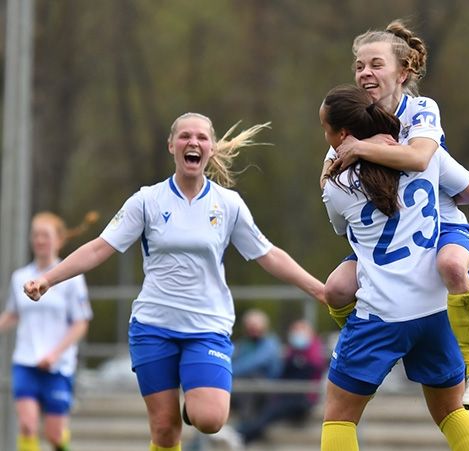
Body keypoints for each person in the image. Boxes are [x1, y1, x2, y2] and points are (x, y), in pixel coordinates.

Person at [23, 112, 326, 451]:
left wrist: (318, 289)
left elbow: (268, 254)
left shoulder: (228, 204)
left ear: (210, 147)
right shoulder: (147, 200)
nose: (192, 142)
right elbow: (99, 248)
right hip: (154, 326)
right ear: (172, 146)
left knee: (210, 419)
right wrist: (48, 279)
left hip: (206, 326)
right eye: (184, 136)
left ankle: (194, 396)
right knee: (165, 431)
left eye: (200, 137)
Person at [319, 19, 469, 411]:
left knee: (450, 263)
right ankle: (375, 343)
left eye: (376, 64)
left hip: (438, 224)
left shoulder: (421, 110)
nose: (365, 72)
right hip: (389, 237)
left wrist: (364, 150)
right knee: (336, 289)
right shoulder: (355, 122)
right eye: (359, 66)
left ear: (404, 71)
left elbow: (420, 158)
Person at [0, 211, 97, 451]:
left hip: (58, 366)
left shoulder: (71, 278)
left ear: (59, 240)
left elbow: (80, 323)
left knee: (54, 436)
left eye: (45, 235)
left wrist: (54, 354)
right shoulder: (20, 277)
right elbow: (13, 313)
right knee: (28, 425)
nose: (40, 241)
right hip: (25, 362)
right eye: (36, 235)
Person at [236, 319, 326, 445]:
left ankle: (241, 435)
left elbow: (310, 375)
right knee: (265, 408)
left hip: (302, 401)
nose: (297, 334)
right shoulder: (291, 353)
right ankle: (242, 434)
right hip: (286, 397)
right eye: (295, 330)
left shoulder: (314, 355)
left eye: (301, 331)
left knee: (270, 412)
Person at [231, 308, 282, 419]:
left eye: (255, 325)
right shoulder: (244, 343)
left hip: (268, 387)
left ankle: (246, 422)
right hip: (246, 384)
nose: (252, 328)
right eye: (249, 325)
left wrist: (228, 371)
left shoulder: (270, 344)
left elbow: (252, 364)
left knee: (247, 381)